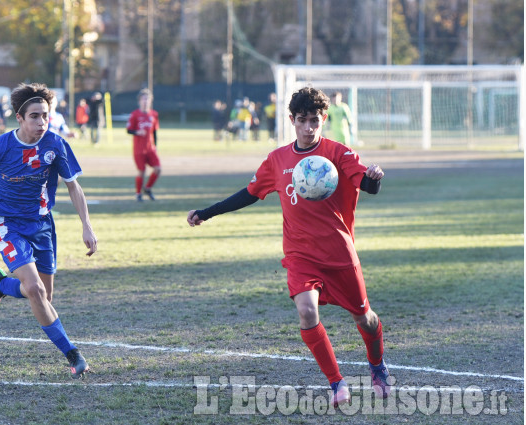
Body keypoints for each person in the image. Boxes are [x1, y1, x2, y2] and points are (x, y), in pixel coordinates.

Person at [186, 87, 389, 407]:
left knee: (365, 318)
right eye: (302, 121)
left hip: (338, 254)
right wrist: (207, 213)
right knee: (307, 312)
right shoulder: (278, 160)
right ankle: (337, 383)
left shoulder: (339, 153)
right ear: (292, 120)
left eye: (315, 121)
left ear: (324, 119)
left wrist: (375, 177)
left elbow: (367, 184)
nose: (309, 128)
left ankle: (377, 367)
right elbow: (249, 193)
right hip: (300, 255)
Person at [0, 83, 98, 379]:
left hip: (43, 226)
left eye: (45, 116)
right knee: (35, 290)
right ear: (19, 118)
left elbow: (74, 186)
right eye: (34, 116)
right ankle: (73, 355)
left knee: (45, 295)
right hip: (5, 224)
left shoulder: (55, 145)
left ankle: (2, 286)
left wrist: (87, 225)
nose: (41, 123)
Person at [126, 88, 161, 202]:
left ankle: (147, 188)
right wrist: (137, 132)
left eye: (148, 99)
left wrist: (155, 145)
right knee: (141, 171)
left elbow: (154, 132)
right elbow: (129, 130)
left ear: (151, 101)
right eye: (143, 99)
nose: (145, 101)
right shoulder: (135, 114)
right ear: (139, 101)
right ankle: (138, 193)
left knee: (158, 169)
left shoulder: (154, 114)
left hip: (150, 148)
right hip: (138, 149)